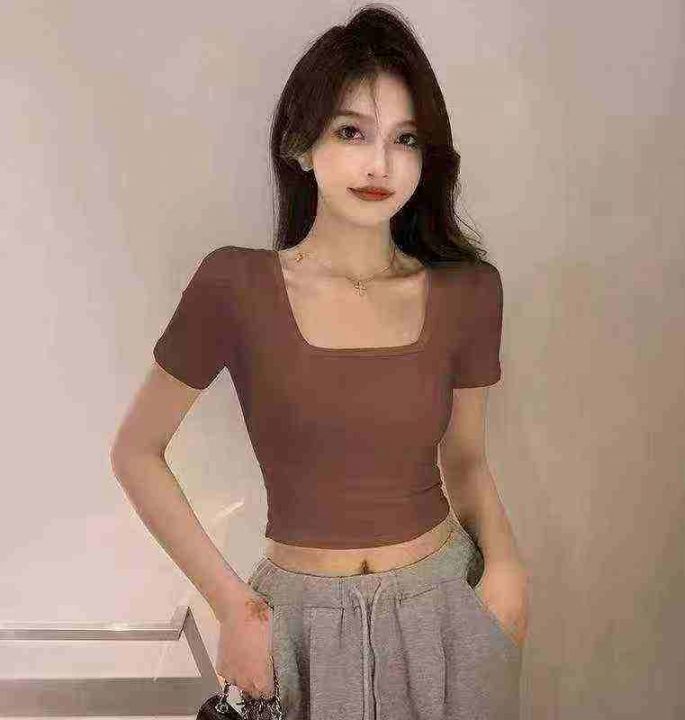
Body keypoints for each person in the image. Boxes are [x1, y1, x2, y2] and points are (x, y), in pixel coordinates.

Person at [110, 5, 529, 719]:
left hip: (446, 612)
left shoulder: (469, 292)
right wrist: (234, 606)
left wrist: (509, 572)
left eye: (405, 139)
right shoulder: (233, 285)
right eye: (351, 132)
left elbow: (465, 460)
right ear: (300, 145)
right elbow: (135, 452)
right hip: (296, 629)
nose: (379, 164)